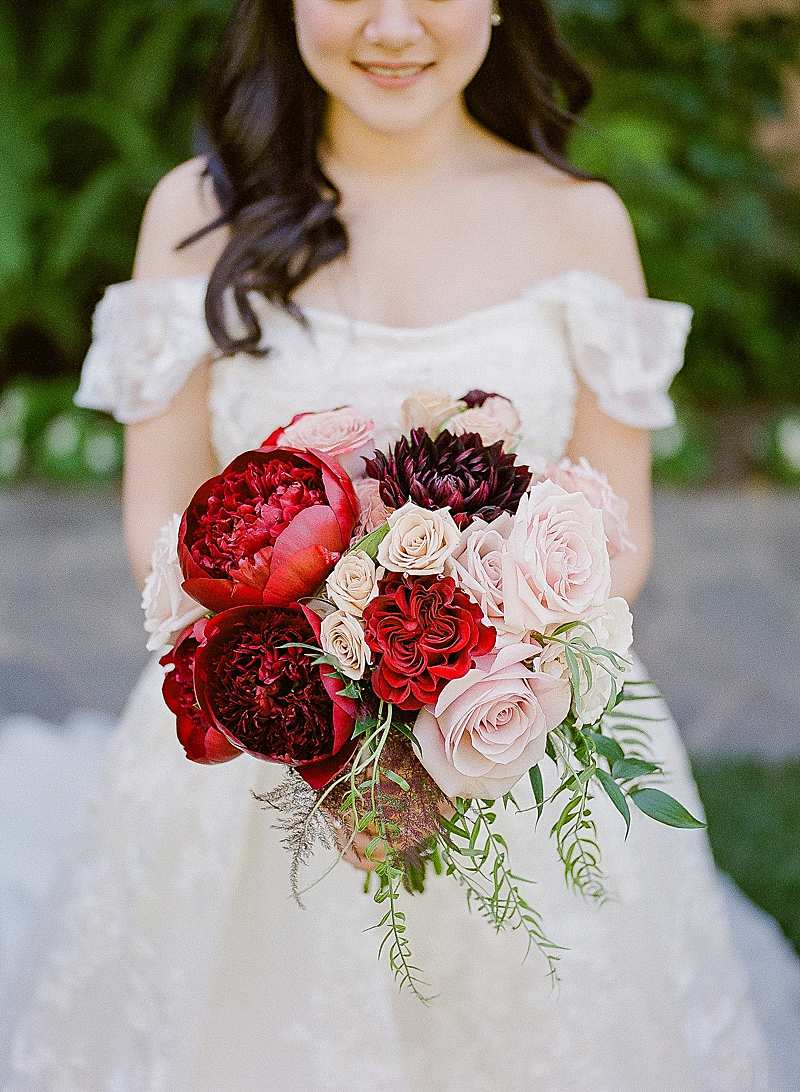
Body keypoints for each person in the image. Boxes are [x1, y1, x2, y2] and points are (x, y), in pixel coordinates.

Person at [3, 0, 775, 1088]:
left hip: (516, 731)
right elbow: (157, 521)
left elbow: (623, 532)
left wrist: (477, 692)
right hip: (265, 728)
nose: (394, 25)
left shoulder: (581, 223)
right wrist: (318, 694)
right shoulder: (197, 212)